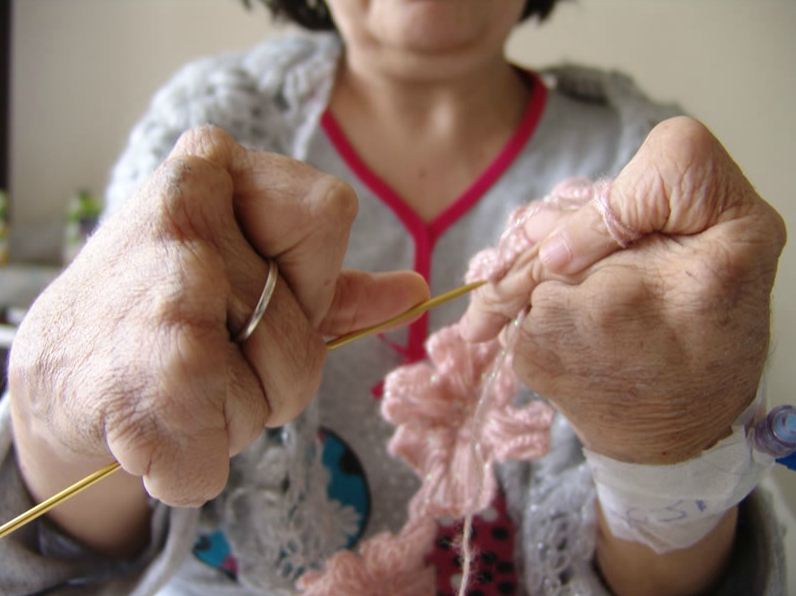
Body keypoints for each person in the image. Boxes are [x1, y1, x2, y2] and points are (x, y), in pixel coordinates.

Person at [0, 0, 787, 594]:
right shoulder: (204, 139)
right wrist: (54, 423)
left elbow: (688, 563)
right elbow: (81, 537)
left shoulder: (648, 178)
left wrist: (667, 455)